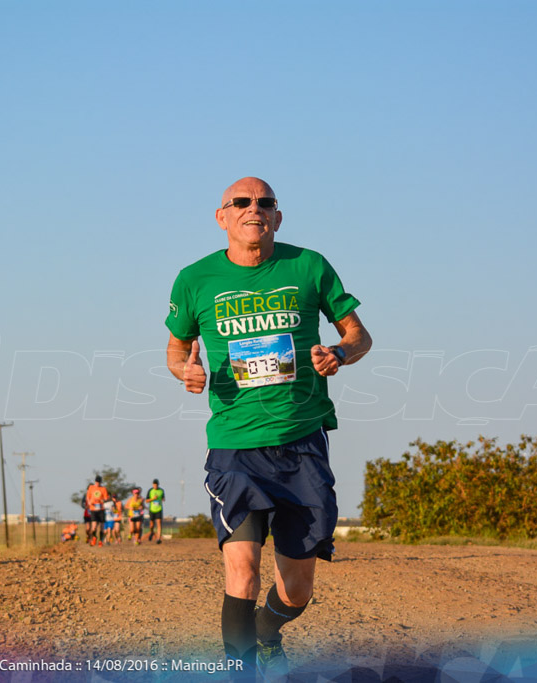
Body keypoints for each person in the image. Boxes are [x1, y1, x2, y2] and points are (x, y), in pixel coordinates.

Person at [165, 177, 371, 677]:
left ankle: (267, 630)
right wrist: (185, 371)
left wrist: (339, 352)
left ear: (277, 217)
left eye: (265, 203)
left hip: (301, 444)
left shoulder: (309, 266)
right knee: (243, 572)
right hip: (235, 448)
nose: (253, 209)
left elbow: (359, 334)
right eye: (241, 202)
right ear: (223, 216)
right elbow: (176, 351)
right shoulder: (195, 280)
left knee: (297, 589)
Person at [85, 475, 109, 546]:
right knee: (94, 527)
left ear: (100, 482)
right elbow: (88, 497)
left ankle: (100, 541)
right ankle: (94, 537)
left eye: (99, 482)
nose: (97, 483)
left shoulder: (103, 489)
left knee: (101, 527)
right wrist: (89, 502)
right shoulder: (91, 488)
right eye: (96, 482)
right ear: (95, 481)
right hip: (93, 509)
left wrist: (101, 500)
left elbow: (106, 498)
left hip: (101, 509)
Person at [146, 479, 166, 544]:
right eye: (154, 485)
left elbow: (163, 498)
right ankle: (151, 532)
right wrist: (153, 499)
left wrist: (163, 499)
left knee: (159, 523)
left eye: (156, 485)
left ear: (158, 485)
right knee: (151, 524)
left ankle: (158, 538)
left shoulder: (161, 491)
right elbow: (146, 501)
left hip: (159, 509)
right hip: (152, 509)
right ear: (152, 485)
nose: (155, 486)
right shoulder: (150, 491)